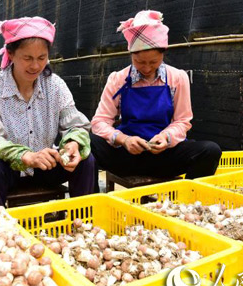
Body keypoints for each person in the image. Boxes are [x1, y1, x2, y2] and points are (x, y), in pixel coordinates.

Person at [0, 16, 96, 208]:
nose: (35, 66)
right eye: (27, 58)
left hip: (46, 167)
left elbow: (75, 123)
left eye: (41, 58)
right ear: (11, 54)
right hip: (10, 169)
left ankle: (83, 224)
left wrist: (73, 143)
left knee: (86, 160)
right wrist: (26, 157)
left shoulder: (55, 85)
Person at [91, 10, 221, 179]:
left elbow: (183, 121)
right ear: (131, 55)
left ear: (163, 54)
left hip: (164, 157)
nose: (146, 68)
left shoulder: (177, 78)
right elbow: (99, 122)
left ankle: (184, 200)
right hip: (125, 157)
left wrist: (165, 138)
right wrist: (123, 140)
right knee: (88, 142)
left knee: (210, 151)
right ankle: (92, 203)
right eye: (139, 62)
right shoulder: (118, 79)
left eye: (153, 62)